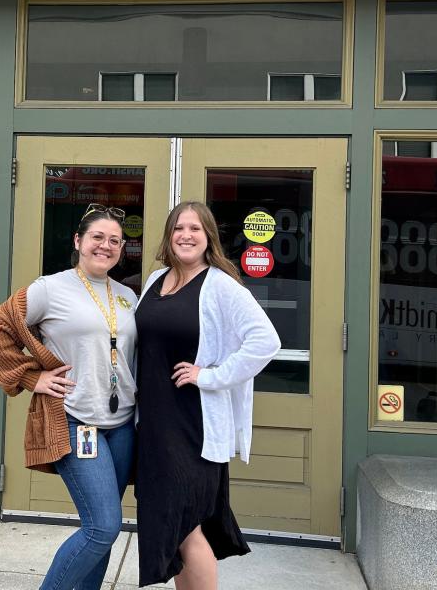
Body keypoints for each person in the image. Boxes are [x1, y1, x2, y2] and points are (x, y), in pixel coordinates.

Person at [0, 204, 138, 590]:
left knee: (103, 531)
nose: (106, 245)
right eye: (98, 237)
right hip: (76, 421)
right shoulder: (51, 288)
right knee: (102, 527)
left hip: (122, 426)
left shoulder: (128, 295)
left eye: (115, 240)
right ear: (79, 241)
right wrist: (33, 377)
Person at [134, 201, 280, 590]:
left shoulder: (220, 285)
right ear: (168, 236)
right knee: (176, 525)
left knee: (186, 526)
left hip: (193, 426)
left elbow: (266, 341)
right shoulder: (155, 280)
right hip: (154, 424)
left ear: (208, 237)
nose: (186, 235)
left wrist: (212, 376)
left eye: (195, 229)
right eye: (179, 228)